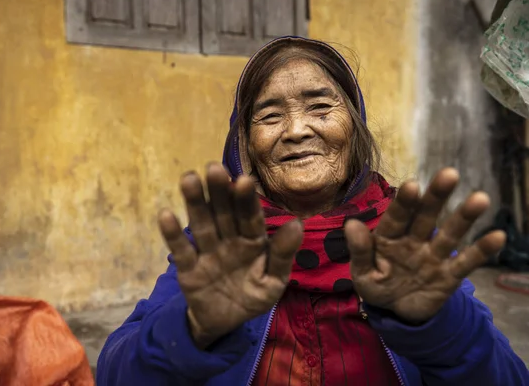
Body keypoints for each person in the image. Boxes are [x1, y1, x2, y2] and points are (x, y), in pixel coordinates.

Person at [96, 37, 528, 385]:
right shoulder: (221, 248)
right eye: (269, 116)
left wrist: (442, 328)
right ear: (244, 145)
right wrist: (189, 330)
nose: (297, 130)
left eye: (320, 107)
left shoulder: (407, 246)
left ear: (354, 128)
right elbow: (115, 372)